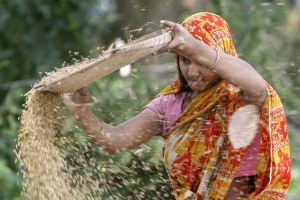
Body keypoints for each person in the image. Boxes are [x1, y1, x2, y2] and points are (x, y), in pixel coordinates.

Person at [63, 12, 291, 199]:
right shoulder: (169, 105)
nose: (192, 72)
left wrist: (193, 48)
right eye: (184, 60)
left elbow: (258, 87)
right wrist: (82, 112)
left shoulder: (240, 96)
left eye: (201, 62)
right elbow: (115, 140)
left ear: (217, 53)